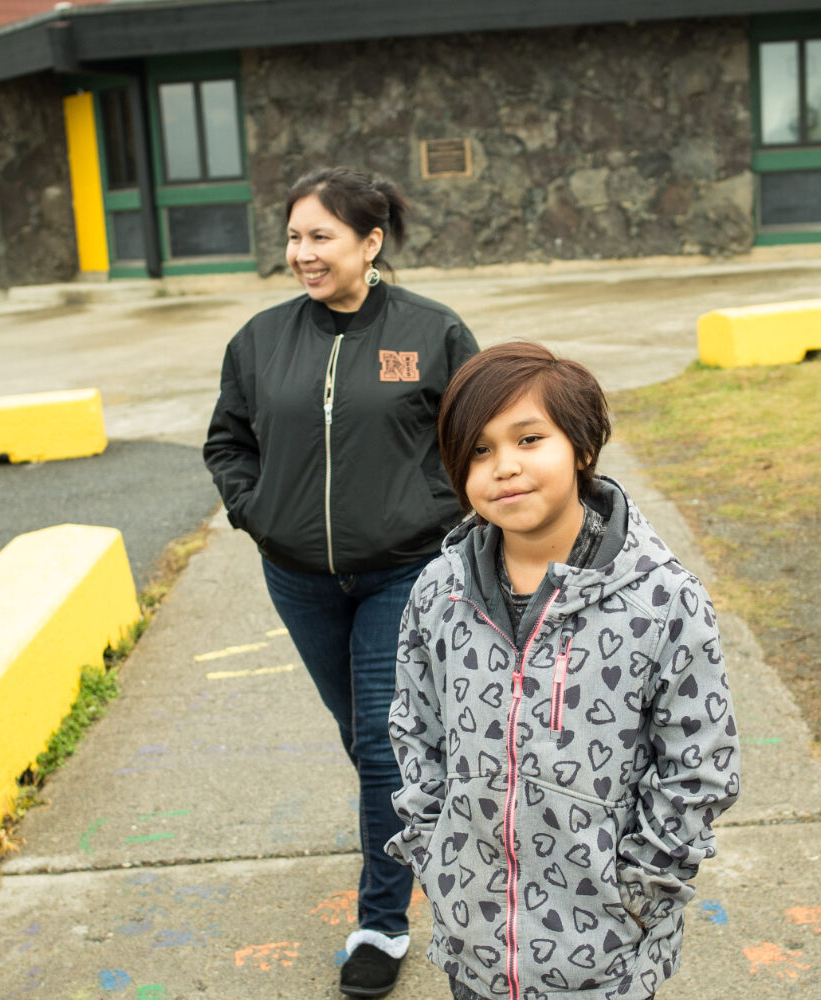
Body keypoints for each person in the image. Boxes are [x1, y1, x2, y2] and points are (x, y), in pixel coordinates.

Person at [386, 341, 741, 1000]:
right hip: (476, 950)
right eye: (480, 450)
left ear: (580, 446)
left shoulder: (662, 599)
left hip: (605, 959)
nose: (505, 467)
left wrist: (639, 897)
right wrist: (436, 860)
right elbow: (416, 730)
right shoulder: (440, 591)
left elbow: (699, 764)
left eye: (529, 438)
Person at [203, 166, 479, 998]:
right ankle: (408, 809)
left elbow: (476, 441)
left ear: (370, 242)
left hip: (402, 570)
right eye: (293, 236)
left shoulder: (433, 332)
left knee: (378, 743)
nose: (301, 253)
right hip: (298, 577)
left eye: (321, 236)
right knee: (364, 733)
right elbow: (228, 443)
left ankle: (382, 925)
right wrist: (259, 513)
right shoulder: (260, 340)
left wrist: (435, 518)